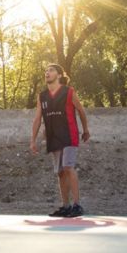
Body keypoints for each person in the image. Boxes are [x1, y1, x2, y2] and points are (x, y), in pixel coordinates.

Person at [30, 64, 91, 217]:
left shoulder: (68, 92)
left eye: (51, 70)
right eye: (45, 71)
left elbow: (81, 111)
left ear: (59, 75)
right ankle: (66, 206)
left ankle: (77, 205)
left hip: (69, 134)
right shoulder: (42, 96)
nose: (47, 73)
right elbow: (37, 119)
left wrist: (85, 130)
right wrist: (33, 140)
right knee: (60, 172)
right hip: (53, 136)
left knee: (68, 167)